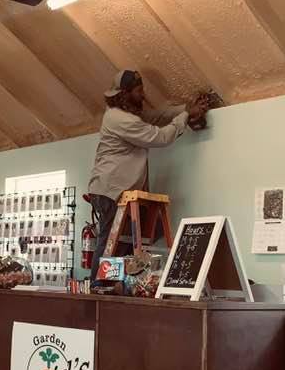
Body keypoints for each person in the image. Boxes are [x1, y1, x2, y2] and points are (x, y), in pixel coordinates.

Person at [87, 69, 210, 282]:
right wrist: (186, 116)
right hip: (111, 191)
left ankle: (116, 285)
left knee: (121, 243)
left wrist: (185, 109)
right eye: (138, 90)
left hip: (115, 191)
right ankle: (98, 289)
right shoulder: (121, 119)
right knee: (109, 244)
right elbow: (159, 136)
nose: (143, 95)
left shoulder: (124, 113)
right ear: (125, 93)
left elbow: (156, 116)